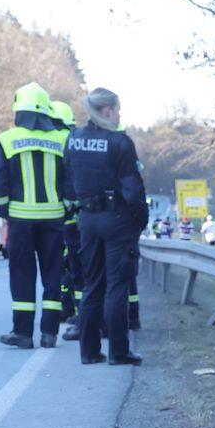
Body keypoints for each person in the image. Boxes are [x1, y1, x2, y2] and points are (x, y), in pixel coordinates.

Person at [64, 86, 146, 366]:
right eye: (117, 110)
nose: (119, 115)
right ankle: (118, 351)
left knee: (92, 284)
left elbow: (66, 179)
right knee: (117, 285)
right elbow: (132, 188)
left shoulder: (74, 139)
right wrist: (140, 220)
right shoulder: (120, 142)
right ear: (108, 110)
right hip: (117, 219)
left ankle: (89, 351)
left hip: (87, 219)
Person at [0, 82, 69, 349]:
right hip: (54, 219)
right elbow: (71, 181)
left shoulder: (7, 139)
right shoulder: (62, 139)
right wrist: (67, 207)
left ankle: (23, 333)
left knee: (22, 274)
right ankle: (49, 333)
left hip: (20, 221)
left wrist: (4, 211)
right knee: (53, 274)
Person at [50, 100, 85, 341]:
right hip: (82, 218)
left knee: (70, 270)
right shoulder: (78, 140)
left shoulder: (59, 142)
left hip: (65, 220)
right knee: (80, 270)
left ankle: (75, 314)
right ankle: (80, 313)